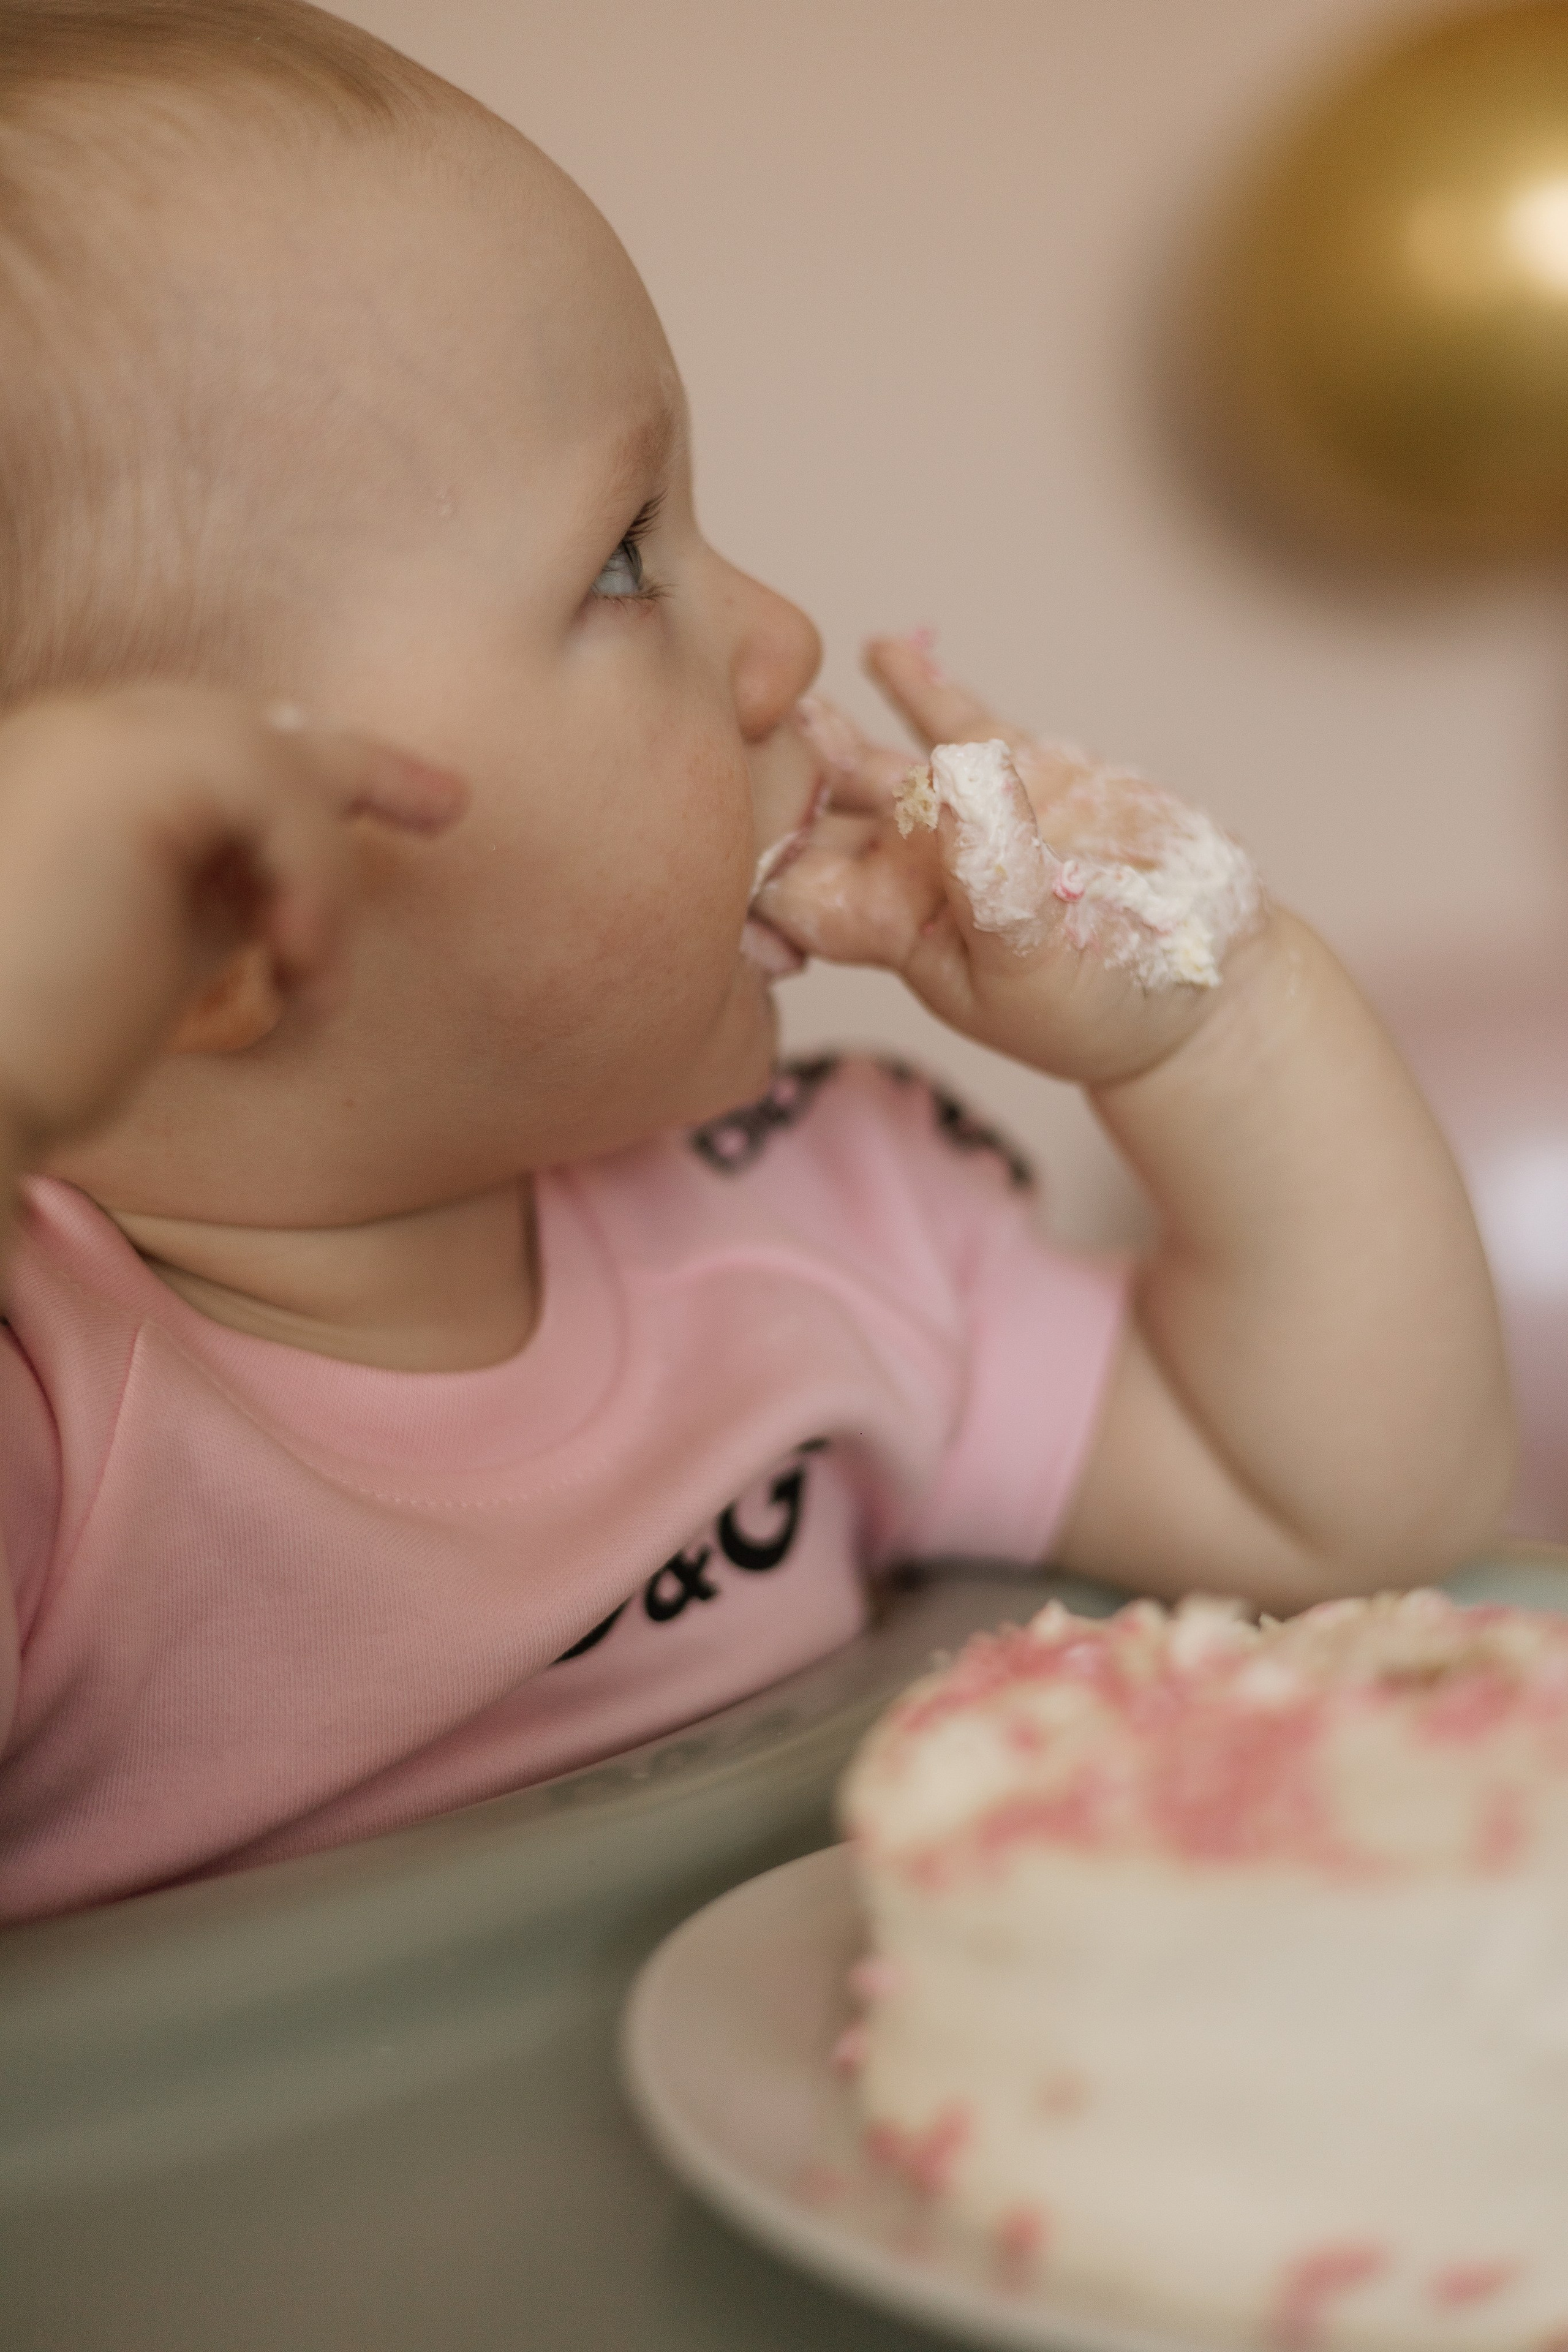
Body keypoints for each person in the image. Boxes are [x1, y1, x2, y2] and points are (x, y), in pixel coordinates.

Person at [0, 0, 1512, 1921]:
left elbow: (1345, 1505)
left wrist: (1219, 1003)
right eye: (626, 558)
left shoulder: (818, 1235)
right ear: (209, 909)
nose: (783, 637)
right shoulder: (52, 1420)